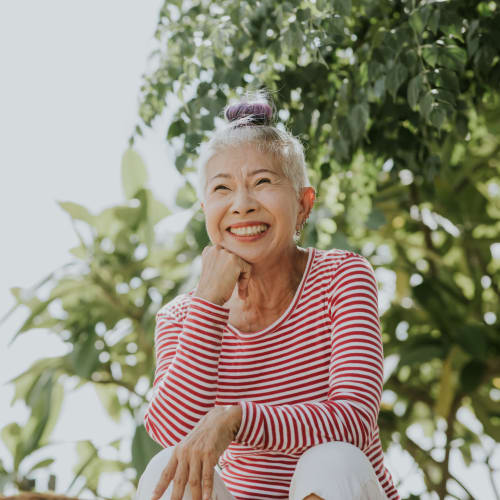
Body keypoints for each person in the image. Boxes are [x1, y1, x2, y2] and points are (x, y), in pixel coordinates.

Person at [135, 91, 400, 500]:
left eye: (262, 182)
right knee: (164, 470)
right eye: (222, 189)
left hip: (339, 489)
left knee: (331, 460)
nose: (241, 205)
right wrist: (208, 303)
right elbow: (170, 431)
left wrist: (235, 418)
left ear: (303, 204)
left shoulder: (342, 277)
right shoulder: (181, 316)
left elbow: (353, 419)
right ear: (206, 209)